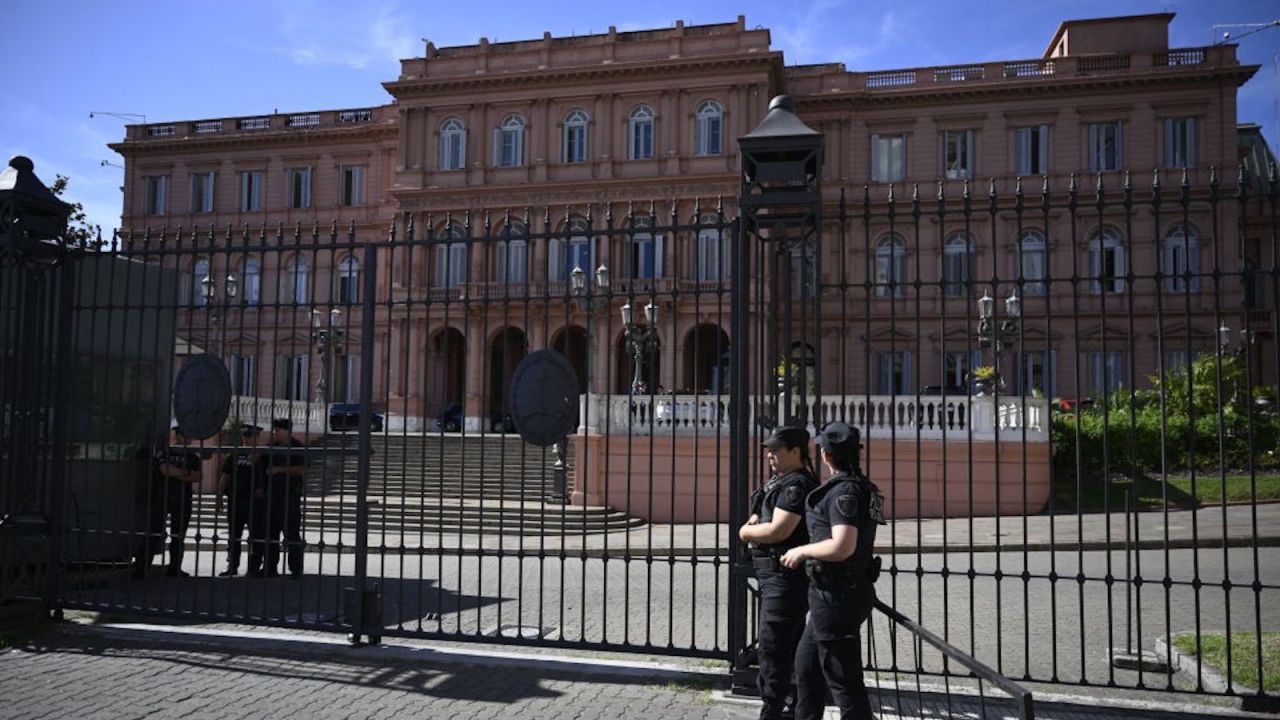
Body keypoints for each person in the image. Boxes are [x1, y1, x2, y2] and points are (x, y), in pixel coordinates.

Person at [781, 422, 886, 720]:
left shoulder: (846, 491)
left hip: (838, 595)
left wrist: (801, 550)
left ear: (825, 455)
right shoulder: (864, 487)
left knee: (844, 683)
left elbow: (843, 546)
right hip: (836, 594)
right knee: (807, 668)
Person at [738, 423, 820, 720]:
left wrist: (746, 533)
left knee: (775, 646)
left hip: (785, 577)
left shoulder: (796, 485)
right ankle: (782, 704)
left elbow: (778, 529)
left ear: (796, 452)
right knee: (778, 643)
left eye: (776, 449)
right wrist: (756, 526)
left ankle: (777, 708)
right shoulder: (780, 481)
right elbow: (761, 516)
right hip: (773, 576)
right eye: (768, 450)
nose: (770, 454)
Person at [132, 427, 203, 580]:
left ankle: (174, 569)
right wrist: (185, 473)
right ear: (177, 436)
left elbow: (197, 477)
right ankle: (141, 569)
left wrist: (176, 472)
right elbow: (165, 470)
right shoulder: (164, 452)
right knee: (153, 533)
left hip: (183, 499)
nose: (189, 439)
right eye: (186, 435)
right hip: (162, 498)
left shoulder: (192, 456)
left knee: (178, 536)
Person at [253, 418, 307, 578]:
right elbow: (259, 467)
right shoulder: (271, 448)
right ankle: (270, 567)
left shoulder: (297, 447)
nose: (275, 433)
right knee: (270, 534)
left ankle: (296, 569)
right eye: (274, 430)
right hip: (271, 497)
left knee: (292, 534)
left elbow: (303, 470)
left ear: (287, 431)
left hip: (289, 496)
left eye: (278, 431)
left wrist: (280, 469)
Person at [216, 424, 261, 577]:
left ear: (257, 437)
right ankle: (232, 566)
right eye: (245, 437)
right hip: (235, 500)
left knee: (255, 535)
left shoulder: (263, 455)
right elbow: (225, 476)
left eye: (250, 437)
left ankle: (254, 567)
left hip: (254, 502)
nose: (246, 439)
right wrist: (219, 497)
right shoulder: (235, 454)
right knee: (234, 535)